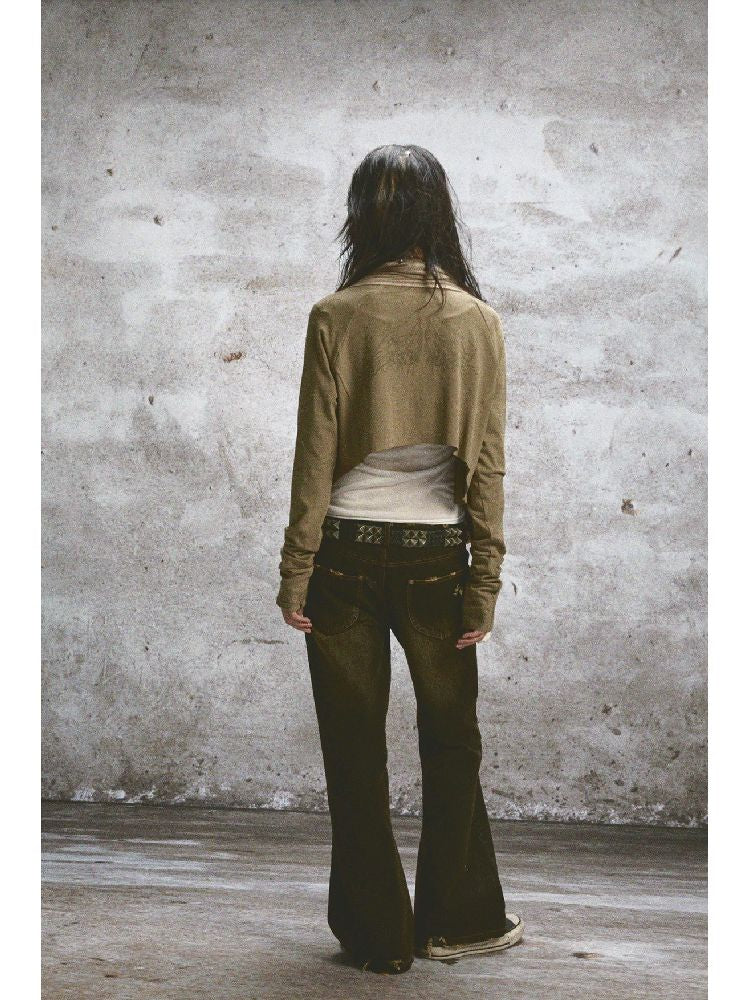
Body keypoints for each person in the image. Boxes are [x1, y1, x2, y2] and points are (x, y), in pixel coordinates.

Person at [276, 144, 523, 975]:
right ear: (437, 214)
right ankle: (454, 920)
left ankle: (377, 936)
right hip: (435, 562)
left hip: (342, 557)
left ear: (363, 216)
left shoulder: (335, 315)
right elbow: (487, 465)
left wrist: (296, 570)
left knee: (353, 750)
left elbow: (314, 460)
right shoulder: (477, 321)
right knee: (452, 743)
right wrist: (484, 579)